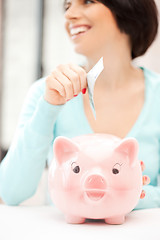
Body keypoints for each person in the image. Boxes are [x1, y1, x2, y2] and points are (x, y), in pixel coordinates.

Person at [0, 0, 159, 209]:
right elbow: (10, 192)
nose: (69, 15)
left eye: (87, 2)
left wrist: (129, 194)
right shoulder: (44, 93)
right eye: (67, 6)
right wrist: (48, 107)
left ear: (127, 7)